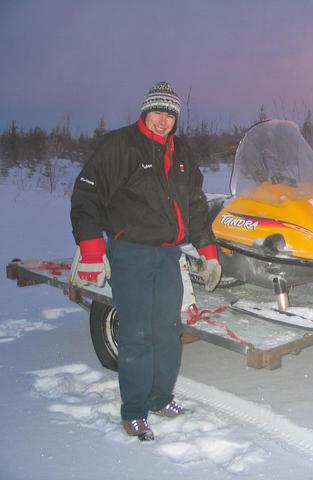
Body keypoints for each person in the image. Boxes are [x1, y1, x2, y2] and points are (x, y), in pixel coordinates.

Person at [70, 81, 222, 440]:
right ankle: (134, 410)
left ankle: (159, 397)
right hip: (131, 253)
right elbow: (86, 195)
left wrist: (208, 251)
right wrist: (92, 250)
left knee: (167, 331)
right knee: (137, 334)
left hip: (168, 255)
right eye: (157, 112)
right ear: (144, 111)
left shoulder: (181, 151)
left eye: (169, 114)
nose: (162, 121)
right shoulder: (120, 145)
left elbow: (196, 205)